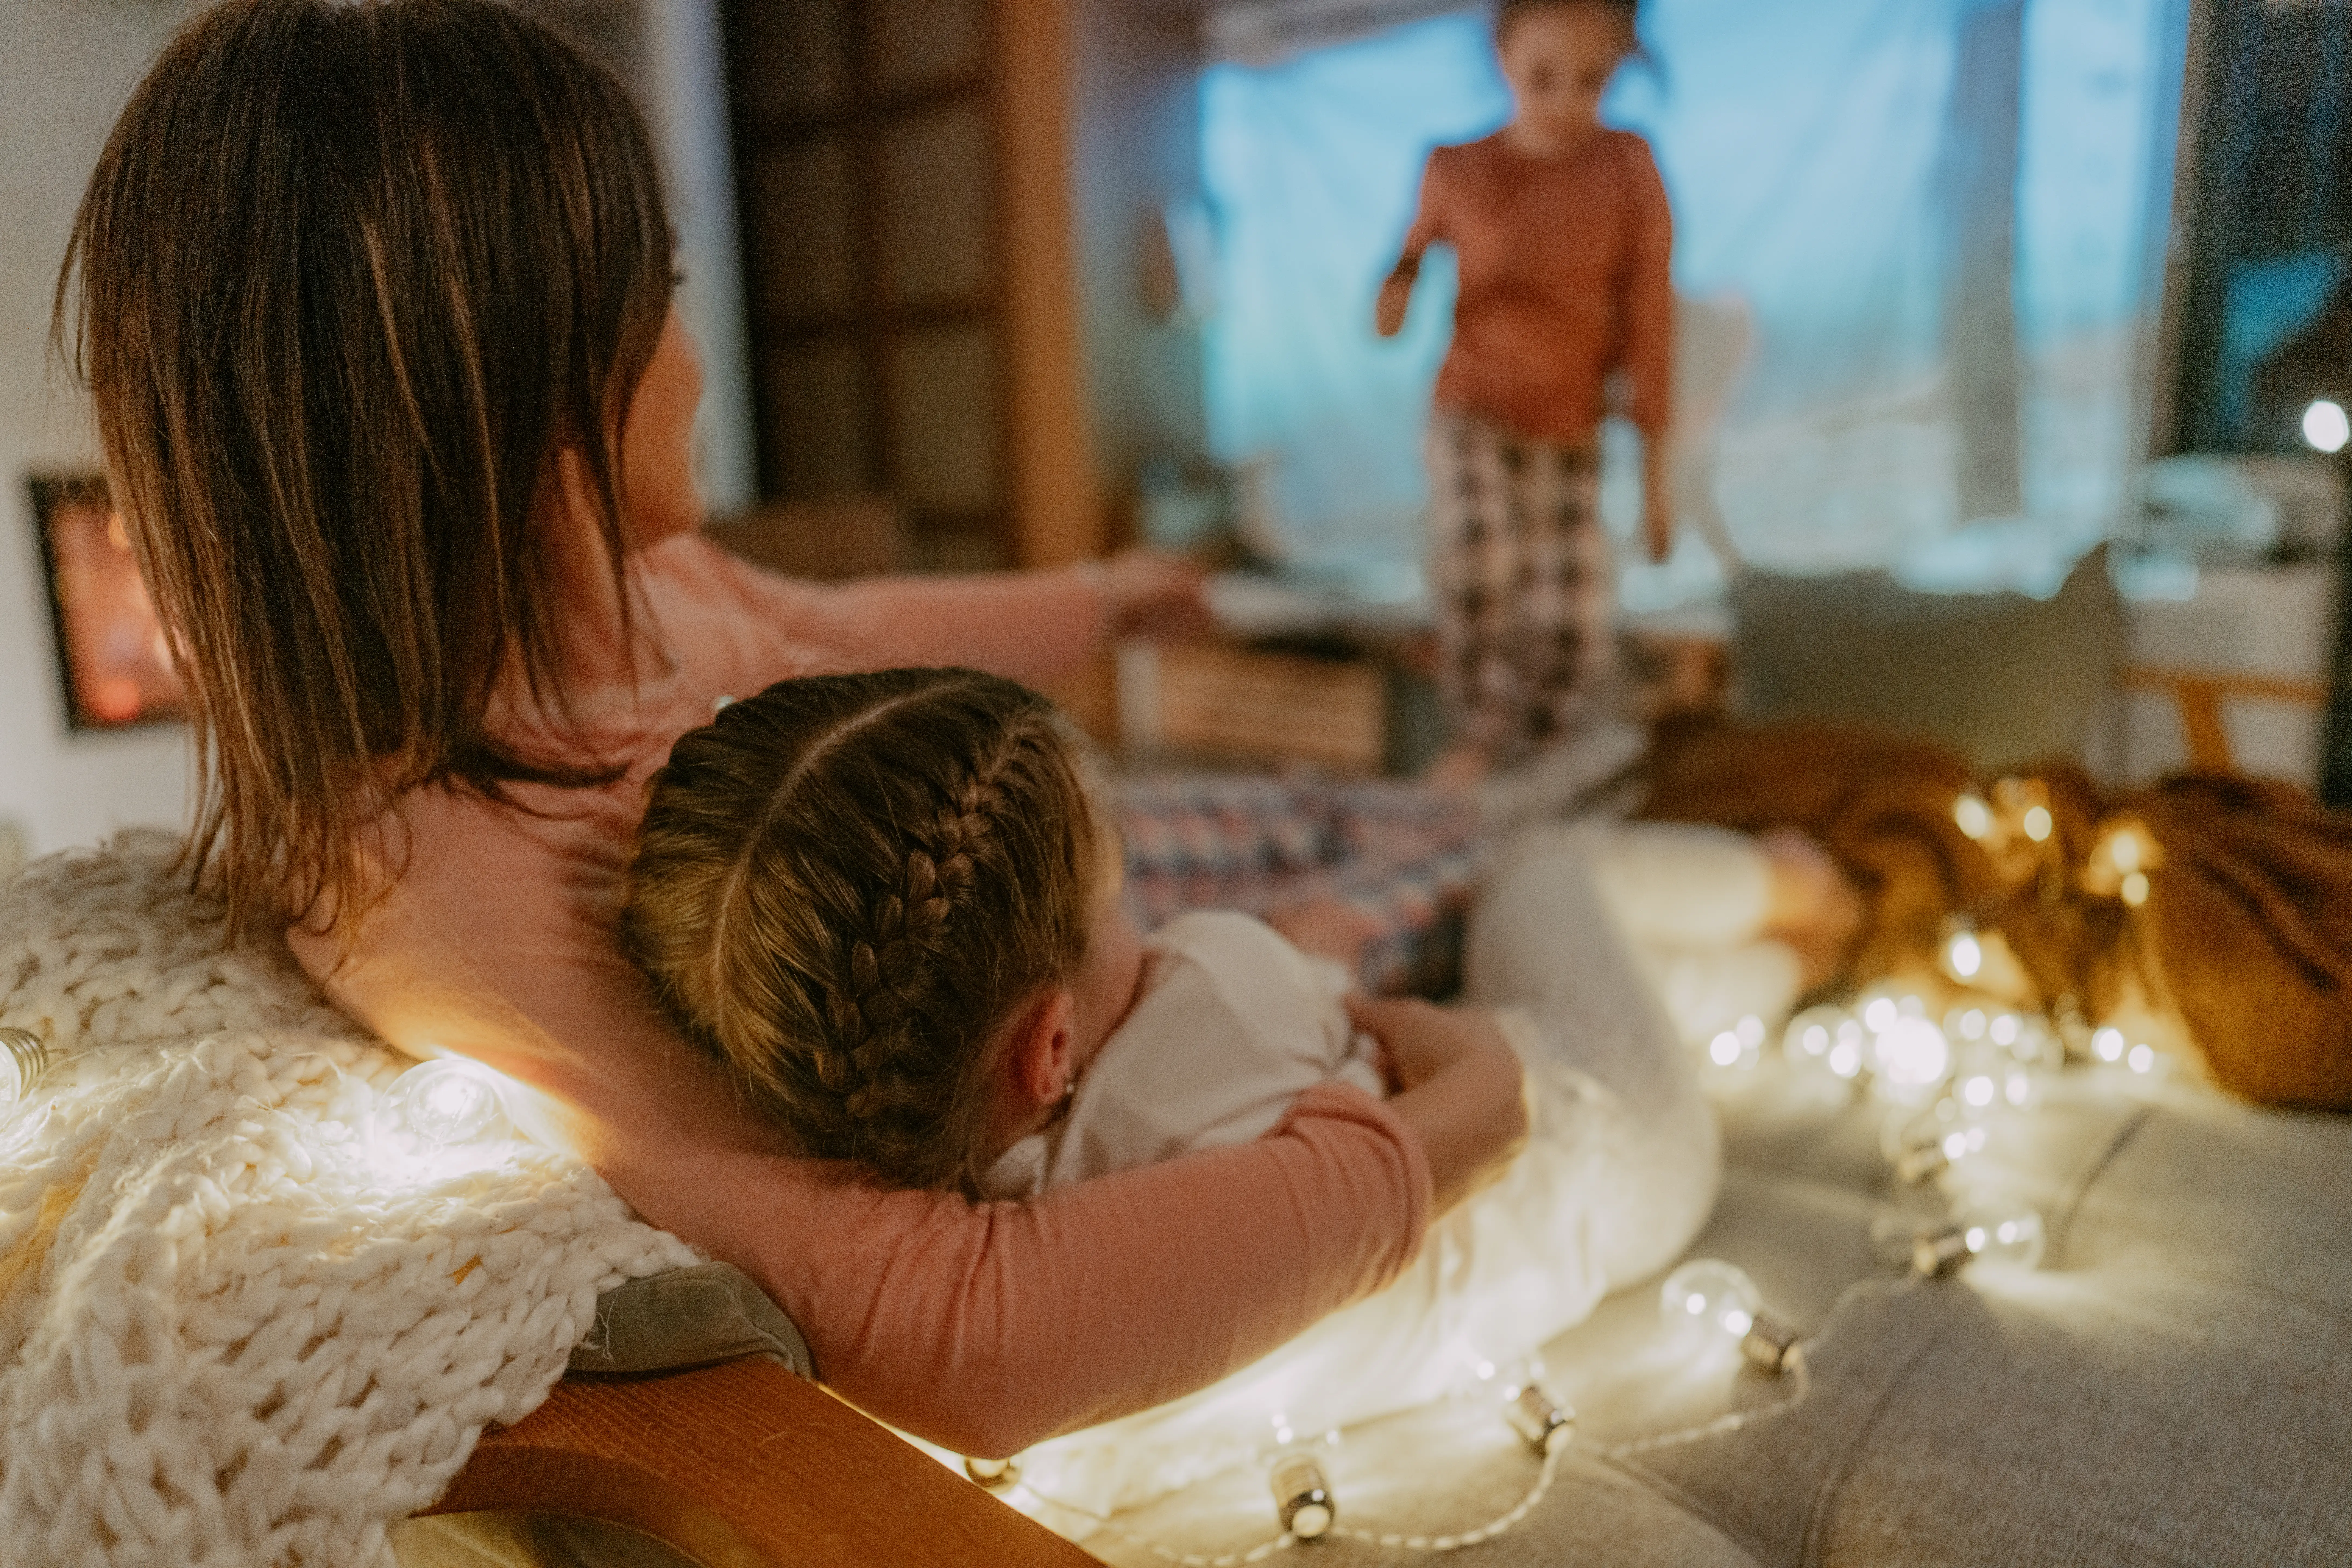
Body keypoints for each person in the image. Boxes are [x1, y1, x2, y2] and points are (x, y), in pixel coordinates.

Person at [59, 0, 1527, 1458]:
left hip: (1062, 897)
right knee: (1466, 859)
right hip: (1065, 989)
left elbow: (840, 629)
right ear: (512, 378)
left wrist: (1104, 597)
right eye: (664, 297)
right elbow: (965, 1324)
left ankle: (1477, 851)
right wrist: (1455, 1126)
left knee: (1421, 818)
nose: (696, 364)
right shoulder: (430, 876)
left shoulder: (647, 587)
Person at [623, 668, 1719, 1510]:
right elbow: (1367, 1050)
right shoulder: (1210, 983)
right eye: (1119, 903)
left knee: (1637, 973)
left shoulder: (962, 1236)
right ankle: (1786, 879)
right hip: (1610, 1141)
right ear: (1048, 1048)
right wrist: (1316, 960)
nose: (1140, 924)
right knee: (1537, 874)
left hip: (1565, 1228)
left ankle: (1744, 961)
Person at [1377, 0, 1675, 790]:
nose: (1566, 103)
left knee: (1572, 615)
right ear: (1502, 62)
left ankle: (1536, 757)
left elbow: (1650, 318)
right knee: (1485, 568)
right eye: (1543, 78)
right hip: (1473, 408)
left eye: (1591, 81)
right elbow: (1408, 255)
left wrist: (1655, 479)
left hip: (1571, 424)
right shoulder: (1458, 167)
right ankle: (1476, 739)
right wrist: (1396, 288)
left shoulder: (1626, 167)